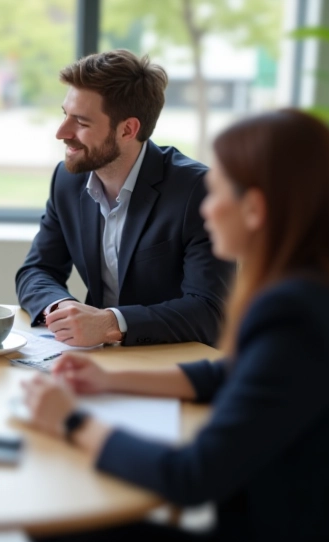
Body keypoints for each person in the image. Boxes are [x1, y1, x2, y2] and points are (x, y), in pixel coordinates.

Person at [21, 109, 329, 542]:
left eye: (217, 192)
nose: (205, 208)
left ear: (255, 209)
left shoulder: (300, 311)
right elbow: (235, 373)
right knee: (62, 529)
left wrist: (72, 422)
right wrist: (108, 379)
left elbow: (192, 476)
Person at [16, 49, 232, 347]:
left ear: (128, 129)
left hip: (168, 358)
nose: (61, 132)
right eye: (65, 114)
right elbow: (37, 270)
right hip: (94, 355)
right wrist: (62, 308)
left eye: (81, 122)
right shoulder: (67, 180)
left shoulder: (198, 191)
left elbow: (210, 311)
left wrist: (111, 323)